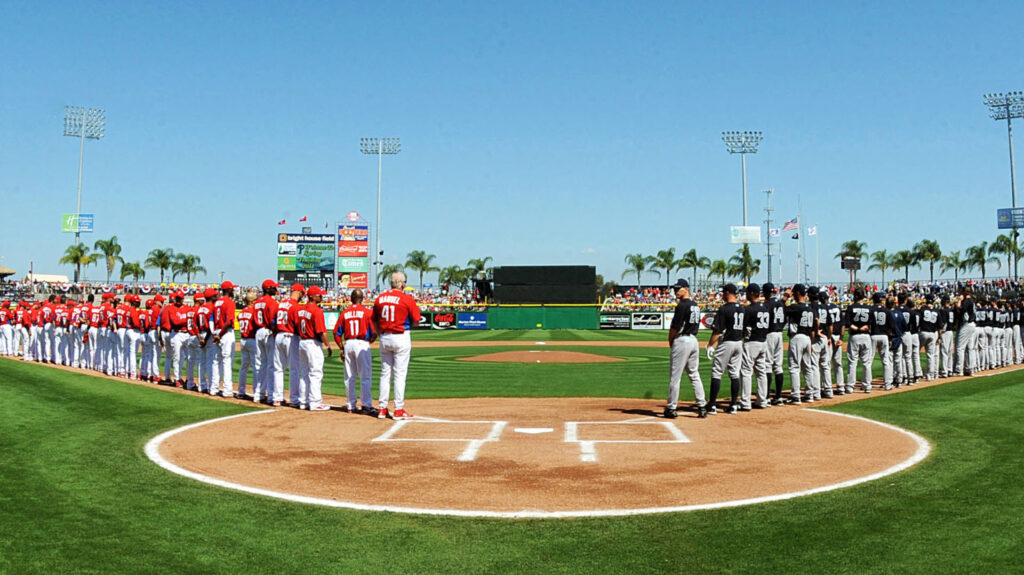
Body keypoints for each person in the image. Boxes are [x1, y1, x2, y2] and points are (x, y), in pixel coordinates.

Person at [372, 271, 422, 420]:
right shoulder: (406, 298)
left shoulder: (380, 298)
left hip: (385, 337)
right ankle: (398, 409)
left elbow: (374, 319)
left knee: (385, 373)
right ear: (403, 284)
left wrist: (380, 333)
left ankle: (382, 408)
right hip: (401, 336)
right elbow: (417, 320)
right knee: (400, 374)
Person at [665, 279, 705, 418]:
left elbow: (675, 327)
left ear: (686, 289)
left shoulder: (682, 305)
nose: (675, 291)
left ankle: (671, 408)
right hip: (693, 340)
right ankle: (702, 406)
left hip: (682, 340)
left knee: (675, 377)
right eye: (675, 289)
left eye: (678, 288)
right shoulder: (695, 305)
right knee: (694, 374)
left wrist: (670, 341)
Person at [335, 288, 377, 414]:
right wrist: (368, 342)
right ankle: (366, 404)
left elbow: (336, 333)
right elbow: (374, 333)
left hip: (348, 344)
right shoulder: (367, 312)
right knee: (365, 376)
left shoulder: (344, 313)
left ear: (350, 299)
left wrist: (341, 348)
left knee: (349, 376)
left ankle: (350, 405)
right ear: (362, 298)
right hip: (362, 343)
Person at [706, 283, 744, 414]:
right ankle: (733, 404)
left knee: (717, 372)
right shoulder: (742, 309)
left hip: (727, 342)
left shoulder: (724, 309)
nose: (722, 295)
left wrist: (710, 344)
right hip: (739, 342)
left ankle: (712, 405)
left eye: (723, 292)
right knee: (734, 374)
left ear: (728, 293)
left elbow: (717, 330)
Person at [296, 285, 333, 411]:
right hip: (312, 344)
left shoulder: (300, 309)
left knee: (304, 373)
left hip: (302, 342)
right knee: (316, 373)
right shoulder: (317, 311)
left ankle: (303, 401)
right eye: (319, 294)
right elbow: (322, 332)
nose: (321, 296)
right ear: (312, 296)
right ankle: (315, 402)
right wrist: (328, 345)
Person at [785, 284, 817, 404]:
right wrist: (812, 343)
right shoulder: (810, 309)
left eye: (794, 292)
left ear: (798, 293)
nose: (792, 294)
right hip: (808, 338)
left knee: (794, 367)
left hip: (797, 337)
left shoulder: (795, 307)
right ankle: (809, 394)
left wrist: (785, 297)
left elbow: (780, 309)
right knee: (807, 367)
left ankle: (796, 395)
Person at [740, 283, 771, 410]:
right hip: (763, 341)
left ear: (752, 293)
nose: (746, 295)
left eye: (747, 292)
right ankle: (762, 400)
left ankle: (746, 402)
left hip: (751, 342)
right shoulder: (765, 308)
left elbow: (744, 328)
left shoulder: (749, 309)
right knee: (761, 372)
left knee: (746, 372)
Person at [274, 283, 304, 408]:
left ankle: (277, 398)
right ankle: (294, 398)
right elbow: (298, 325)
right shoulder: (295, 306)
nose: (302, 296)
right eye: (302, 293)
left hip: (279, 335)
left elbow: (273, 321)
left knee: (278, 368)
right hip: (290, 336)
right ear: (298, 292)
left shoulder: (280, 303)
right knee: (294, 369)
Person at [253, 280, 279, 403]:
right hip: (268, 331)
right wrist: (274, 333)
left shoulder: (257, 302)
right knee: (271, 364)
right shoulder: (271, 302)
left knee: (260, 364)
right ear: (268, 289)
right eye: (273, 287)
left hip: (258, 331)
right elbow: (272, 321)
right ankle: (271, 395)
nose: (276, 289)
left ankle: (258, 394)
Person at [845, 287, 873, 393]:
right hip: (866, 336)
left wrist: (857, 328)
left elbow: (847, 323)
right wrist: (865, 327)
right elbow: (871, 323)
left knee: (852, 362)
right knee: (866, 362)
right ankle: (867, 386)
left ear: (856, 296)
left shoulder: (851, 307)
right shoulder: (869, 308)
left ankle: (850, 386)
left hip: (855, 336)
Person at [213, 281, 238, 398]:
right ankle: (227, 390)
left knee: (216, 361)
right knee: (227, 362)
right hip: (225, 332)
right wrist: (221, 333)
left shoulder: (217, 302)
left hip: (217, 330)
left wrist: (216, 333)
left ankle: (214, 388)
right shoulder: (229, 302)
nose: (233, 291)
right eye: (232, 289)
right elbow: (229, 321)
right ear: (228, 290)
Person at [236, 292, 259, 400]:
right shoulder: (253, 312)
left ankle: (241, 391)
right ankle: (257, 393)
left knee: (244, 367)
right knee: (256, 367)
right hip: (252, 339)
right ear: (252, 301)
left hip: (243, 340)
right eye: (255, 300)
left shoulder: (241, 313)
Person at [868, 291, 893, 391]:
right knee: (886, 361)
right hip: (884, 336)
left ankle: (868, 385)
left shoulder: (870, 310)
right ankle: (888, 384)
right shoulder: (887, 311)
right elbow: (891, 327)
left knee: (869, 361)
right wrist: (890, 338)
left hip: (873, 335)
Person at [919, 294, 941, 381]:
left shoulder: (922, 310)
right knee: (930, 355)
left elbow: (918, 322)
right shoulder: (936, 311)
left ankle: (917, 373)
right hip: (933, 334)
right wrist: (939, 337)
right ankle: (930, 375)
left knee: (916, 353)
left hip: (923, 332)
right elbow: (940, 326)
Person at [954, 286, 976, 377]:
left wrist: (959, 301)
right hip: (972, 324)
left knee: (960, 347)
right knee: (969, 348)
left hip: (967, 324)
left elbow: (961, 309)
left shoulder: (967, 301)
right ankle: (969, 368)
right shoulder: (971, 300)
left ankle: (959, 370)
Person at [939, 296, 956, 377]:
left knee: (944, 352)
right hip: (951, 331)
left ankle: (945, 371)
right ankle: (950, 370)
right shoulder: (951, 311)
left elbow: (944, 323)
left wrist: (940, 333)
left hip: (945, 332)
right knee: (949, 352)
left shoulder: (944, 311)